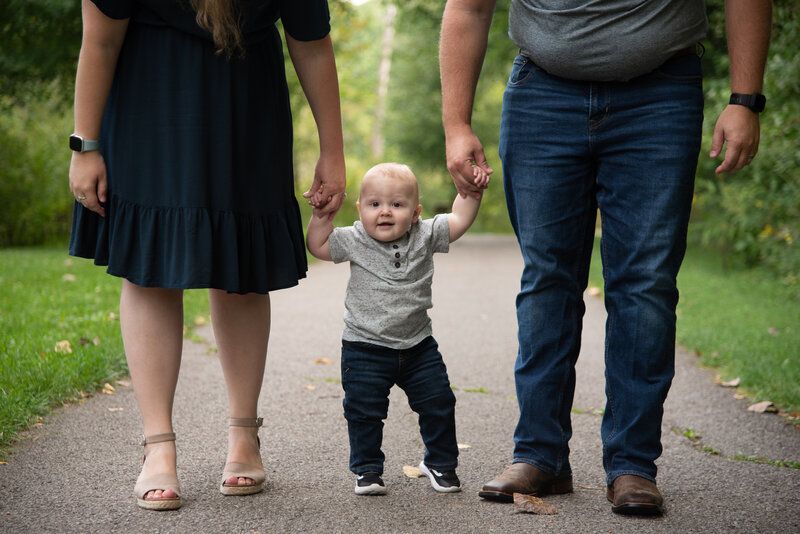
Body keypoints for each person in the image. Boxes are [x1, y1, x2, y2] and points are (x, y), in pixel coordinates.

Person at [439, 0, 771, 516]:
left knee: (645, 284)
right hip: (541, 95)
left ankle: (633, 464)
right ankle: (539, 455)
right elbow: (470, 6)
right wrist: (456, 123)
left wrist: (746, 98)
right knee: (547, 280)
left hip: (660, 95)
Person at [68, 0, 345, 510]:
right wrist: (85, 145)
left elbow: (311, 42)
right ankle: (158, 448)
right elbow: (100, 38)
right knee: (149, 272)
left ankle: (244, 433)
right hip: (149, 98)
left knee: (241, 269)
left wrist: (333, 151)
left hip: (246, 104)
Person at [306, 162, 487, 495]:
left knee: (439, 402)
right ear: (360, 209)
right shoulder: (353, 238)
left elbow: (459, 220)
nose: (385, 212)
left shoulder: (426, 234)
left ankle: (439, 463)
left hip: (418, 346)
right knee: (364, 411)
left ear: (416, 212)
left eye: (397, 205)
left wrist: (470, 192)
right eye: (374, 204)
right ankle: (368, 470)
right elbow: (317, 247)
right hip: (364, 347)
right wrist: (321, 218)